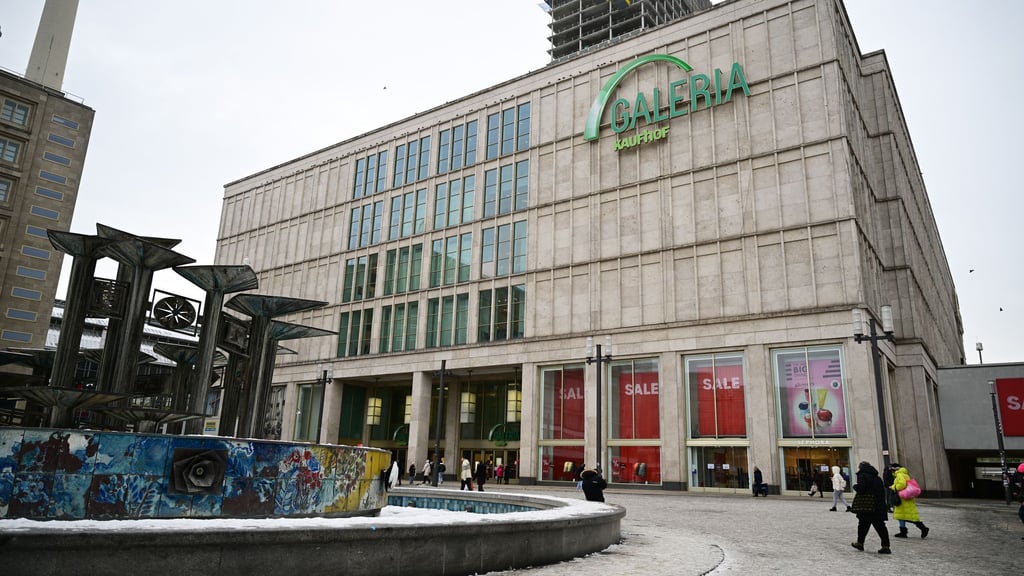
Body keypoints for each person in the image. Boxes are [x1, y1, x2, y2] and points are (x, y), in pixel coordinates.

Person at [851, 461, 891, 554]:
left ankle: (860, 543)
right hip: (878, 505)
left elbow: (861, 488)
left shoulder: (862, 476)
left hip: (866, 505)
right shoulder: (877, 477)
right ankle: (885, 546)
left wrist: (855, 486)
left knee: (863, 525)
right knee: (880, 526)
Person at [890, 465, 929, 539]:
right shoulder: (905, 474)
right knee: (902, 516)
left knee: (907, 516)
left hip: (903, 498)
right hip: (906, 497)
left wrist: (893, 487)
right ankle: (903, 532)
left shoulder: (899, 475)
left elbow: (902, 484)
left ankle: (923, 528)